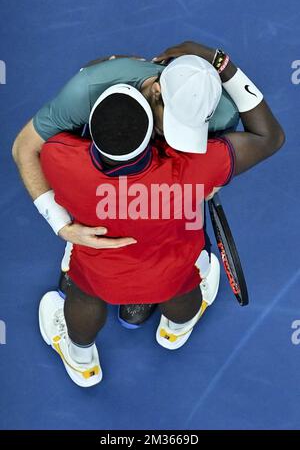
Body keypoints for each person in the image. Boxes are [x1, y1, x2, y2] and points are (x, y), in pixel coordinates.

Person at [37, 48, 284, 387]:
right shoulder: (197, 168)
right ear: (152, 138)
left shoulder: (59, 159)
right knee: (185, 288)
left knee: (82, 296)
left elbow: (42, 146)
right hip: (170, 273)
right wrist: (224, 64)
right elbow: (270, 138)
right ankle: (175, 330)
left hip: (97, 273)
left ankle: (81, 360)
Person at [12, 47, 239, 327]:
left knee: (90, 282)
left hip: (125, 200)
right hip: (134, 191)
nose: (169, 133)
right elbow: (24, 147)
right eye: (168, 122)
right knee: (177, 268)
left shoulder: (222, 114)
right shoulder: (85, 93)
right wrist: (61, 225)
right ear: (155, 92)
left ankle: (125, 297)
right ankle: (168, 312)